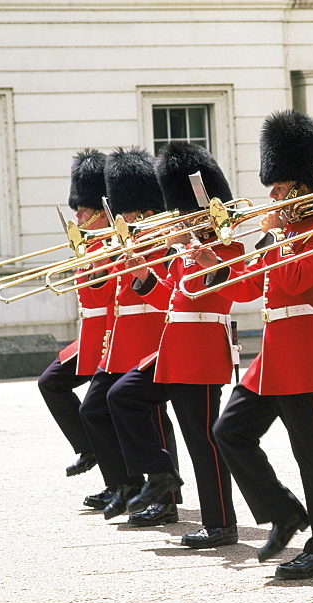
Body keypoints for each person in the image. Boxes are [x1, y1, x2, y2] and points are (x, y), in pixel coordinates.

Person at [206, 110, 313, 578]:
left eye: (280, 187)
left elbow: (296, 276)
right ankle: (285, 512)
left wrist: (273, 238)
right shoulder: (285, 234)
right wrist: (216, 265)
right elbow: (248, 288)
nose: (272, 194)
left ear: (302, 189)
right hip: (274, 351)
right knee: (230, 432)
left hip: (303, 347)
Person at [106, 142, 240, 548]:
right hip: (173, 350)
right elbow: (172, 299)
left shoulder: (225, 248)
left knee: (203, 441)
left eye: (183, 210)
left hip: (199, 353)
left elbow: (232, 289)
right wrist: (142, 272)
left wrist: (206, 258)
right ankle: (160, 471)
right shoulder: (184, 252)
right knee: (121, 396)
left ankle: (221, 524)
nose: (177, 217)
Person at [79, 147, 181, 526]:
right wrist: (94, 263)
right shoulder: (125, 242)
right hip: (122, 343)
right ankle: (126, 483)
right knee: (94, 409)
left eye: (127, 210)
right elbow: (104, 297)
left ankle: (166, 499)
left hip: (151, 340)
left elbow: (167, 295)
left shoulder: (164, 245)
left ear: (147, 212)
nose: (120, 218)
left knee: (154, 419)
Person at [37, 150, 110, 486]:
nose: (78, 217)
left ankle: (122, 482)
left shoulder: (110, 245)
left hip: (109, 334)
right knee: (51, 383)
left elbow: (105, 296)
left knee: (103, 408)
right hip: (90, 333)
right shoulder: (91, 245)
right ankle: (89, 448)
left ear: (102, 211)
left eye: (83, 210)